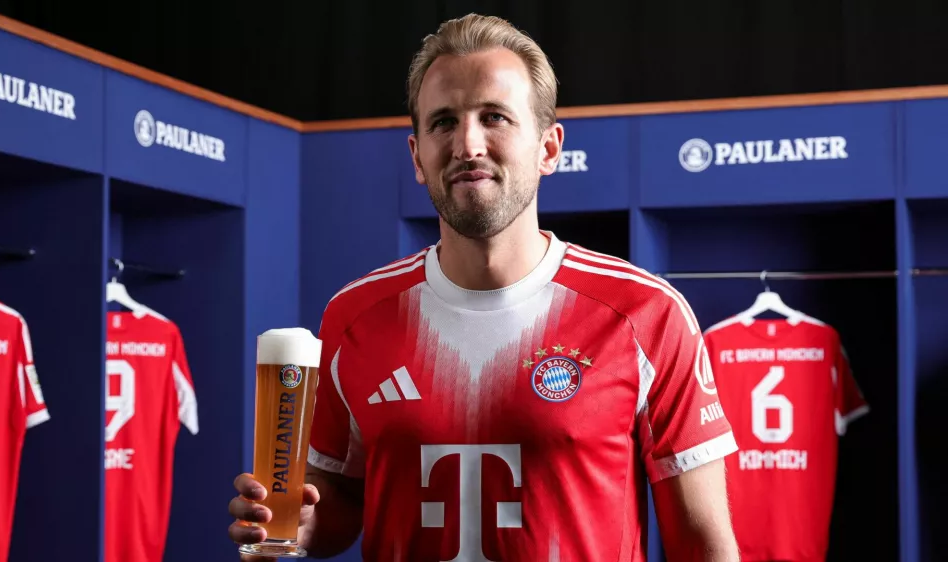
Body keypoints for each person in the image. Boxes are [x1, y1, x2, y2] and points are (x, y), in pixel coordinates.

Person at [229, 12, 740, 562]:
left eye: (494, 117)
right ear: (417, 156)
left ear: (549, 148)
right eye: (443, 122)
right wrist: (299, 526)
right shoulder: (354, 316)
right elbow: (340, 503)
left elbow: (704, 543)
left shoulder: (646, 313)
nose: (467, 144)